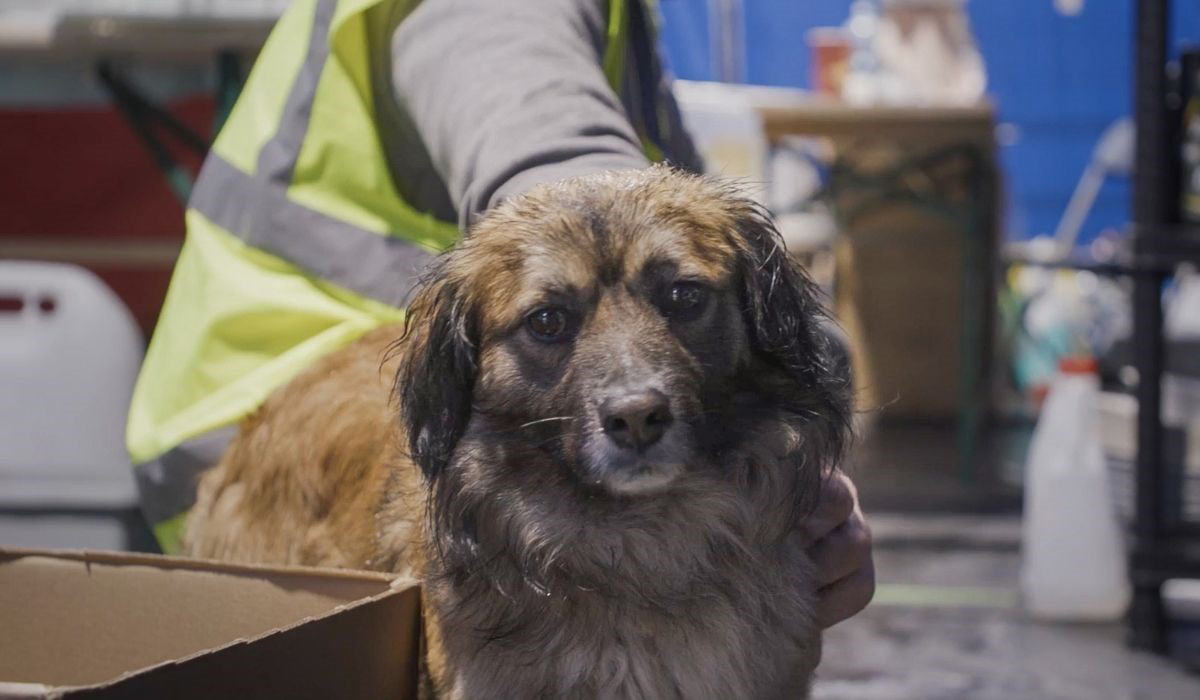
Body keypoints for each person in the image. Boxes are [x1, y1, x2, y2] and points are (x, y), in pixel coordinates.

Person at [126, 0, 874, 628]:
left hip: (449, 379)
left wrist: (800, 446)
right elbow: (553, 158)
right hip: (279, 427)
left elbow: (703, 248)